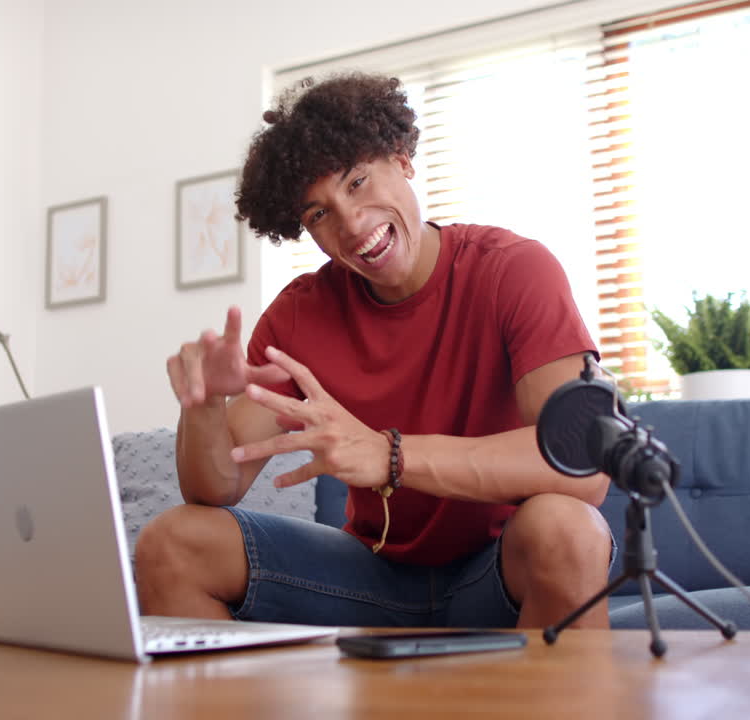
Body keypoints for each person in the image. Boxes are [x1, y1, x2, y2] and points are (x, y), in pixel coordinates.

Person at [136, 71, 613, 630]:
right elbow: (215, 487)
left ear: (401, 158)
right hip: (371, 577)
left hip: (500, 570)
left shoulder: (513, 270)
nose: (351, 222)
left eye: (357, 182)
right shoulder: (301, 314)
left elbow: (584, 469)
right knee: (173, 541)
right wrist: (204, 406)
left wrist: (393, 456)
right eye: (319, 213)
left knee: (568, 527)